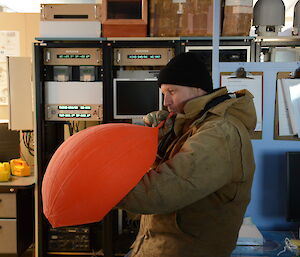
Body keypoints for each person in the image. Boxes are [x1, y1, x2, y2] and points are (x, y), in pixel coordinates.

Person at [117, 52, 256, 257]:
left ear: (197, 88)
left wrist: (102, 190)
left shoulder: (219, 133)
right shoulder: (190, 126)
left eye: (172, 92)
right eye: (163, 93)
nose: (165, 102)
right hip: (158, 246)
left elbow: (162, 190)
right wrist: (158, 137)